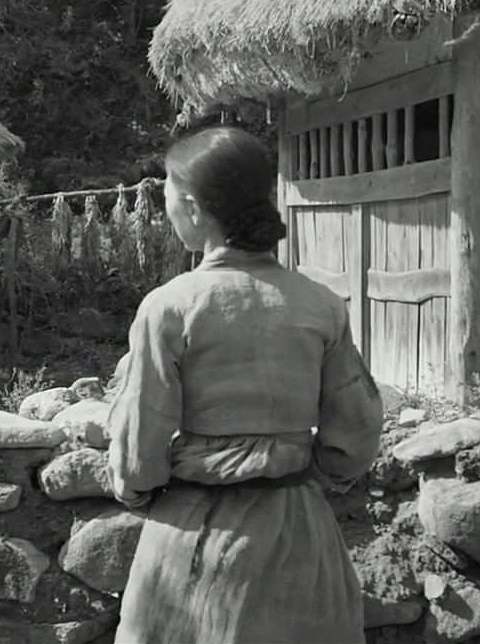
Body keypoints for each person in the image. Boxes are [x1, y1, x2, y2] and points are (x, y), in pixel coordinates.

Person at [106, 126, 384, 643]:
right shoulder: (320, 304)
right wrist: (301, 472)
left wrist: (140, 489)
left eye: (168, 199)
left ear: (192, 208)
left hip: (195, 537)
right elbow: (357, 432)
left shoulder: (170, 308)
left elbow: (139, 449)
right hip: (301, 532)